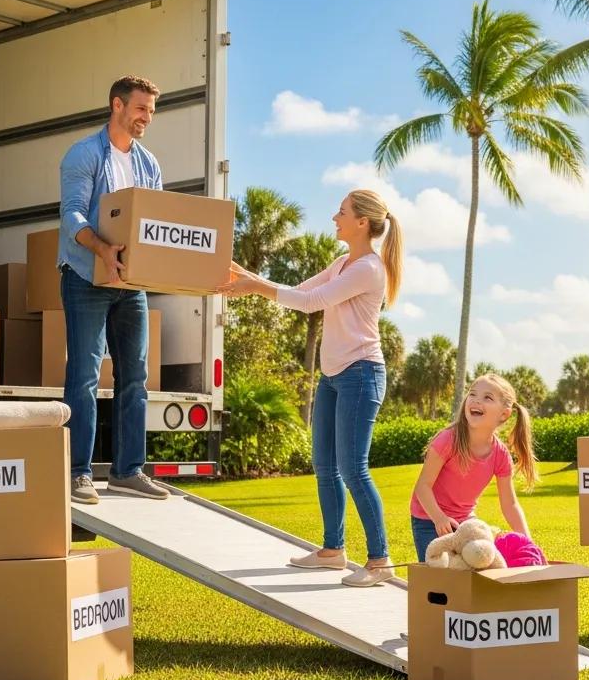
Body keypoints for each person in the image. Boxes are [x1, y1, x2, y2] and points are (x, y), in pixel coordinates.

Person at [220, 190, 401, 587]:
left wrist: (252, 285)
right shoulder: (342, 263)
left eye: (342, 212)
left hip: (361, 373)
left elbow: (311, 302)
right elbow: (300, 291)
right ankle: (333, 551)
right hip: (335, 375)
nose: (335, 217)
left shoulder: (369, 268)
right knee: (324, 466)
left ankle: (380, 560)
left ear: (362, 223)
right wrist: (243, 275)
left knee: (354, 469)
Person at [59, 75, 169, 505]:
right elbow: (71, 218)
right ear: (117, 105)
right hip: (87, 276)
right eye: (141, 109)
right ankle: (76, 473)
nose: (146, 118)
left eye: (151, 112)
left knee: (135, 377)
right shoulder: (83, 154)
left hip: (132, 285)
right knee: (85, 376)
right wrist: (104, 250)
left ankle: (127, 471)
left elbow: (155, 222)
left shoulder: (150, 164)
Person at [410, 374, 537, 562]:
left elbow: (510, 504)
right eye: (472, 394)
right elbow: (423, 486)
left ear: (504, 414)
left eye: (488, 397)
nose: (476, 400)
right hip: (429, 519)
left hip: (465, 522)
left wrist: (528, 542)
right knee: (439, 578)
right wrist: (439, 518)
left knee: (481, 566)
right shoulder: (447, 440)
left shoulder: (500, 455)